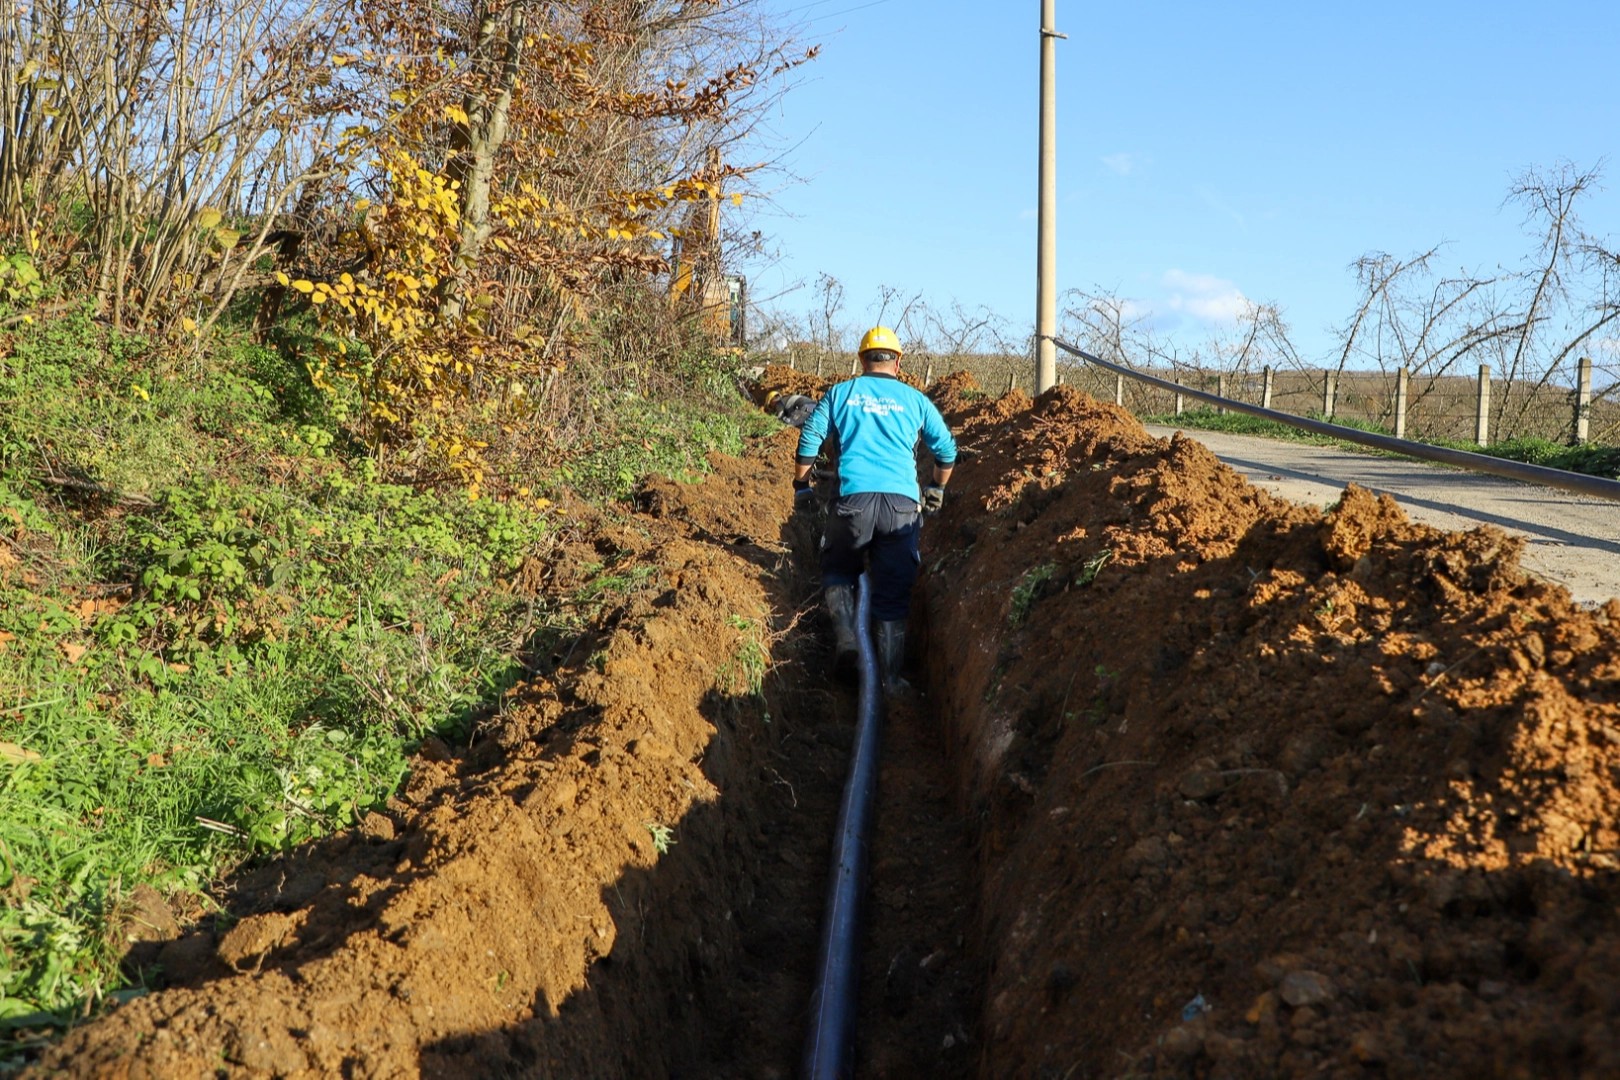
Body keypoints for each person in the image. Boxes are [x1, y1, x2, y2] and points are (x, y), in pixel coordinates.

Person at [791, 326, 956, 691]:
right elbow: (946, 452)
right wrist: (936, 489)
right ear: (897, 362)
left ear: (862, 360)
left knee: (838, 570)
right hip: (901, 507)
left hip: (852, 501)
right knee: (893, 593)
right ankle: (891, 679)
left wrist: (802, 487)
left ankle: (848, 638)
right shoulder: (915, 400)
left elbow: (809, 439)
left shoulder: (841, 393)